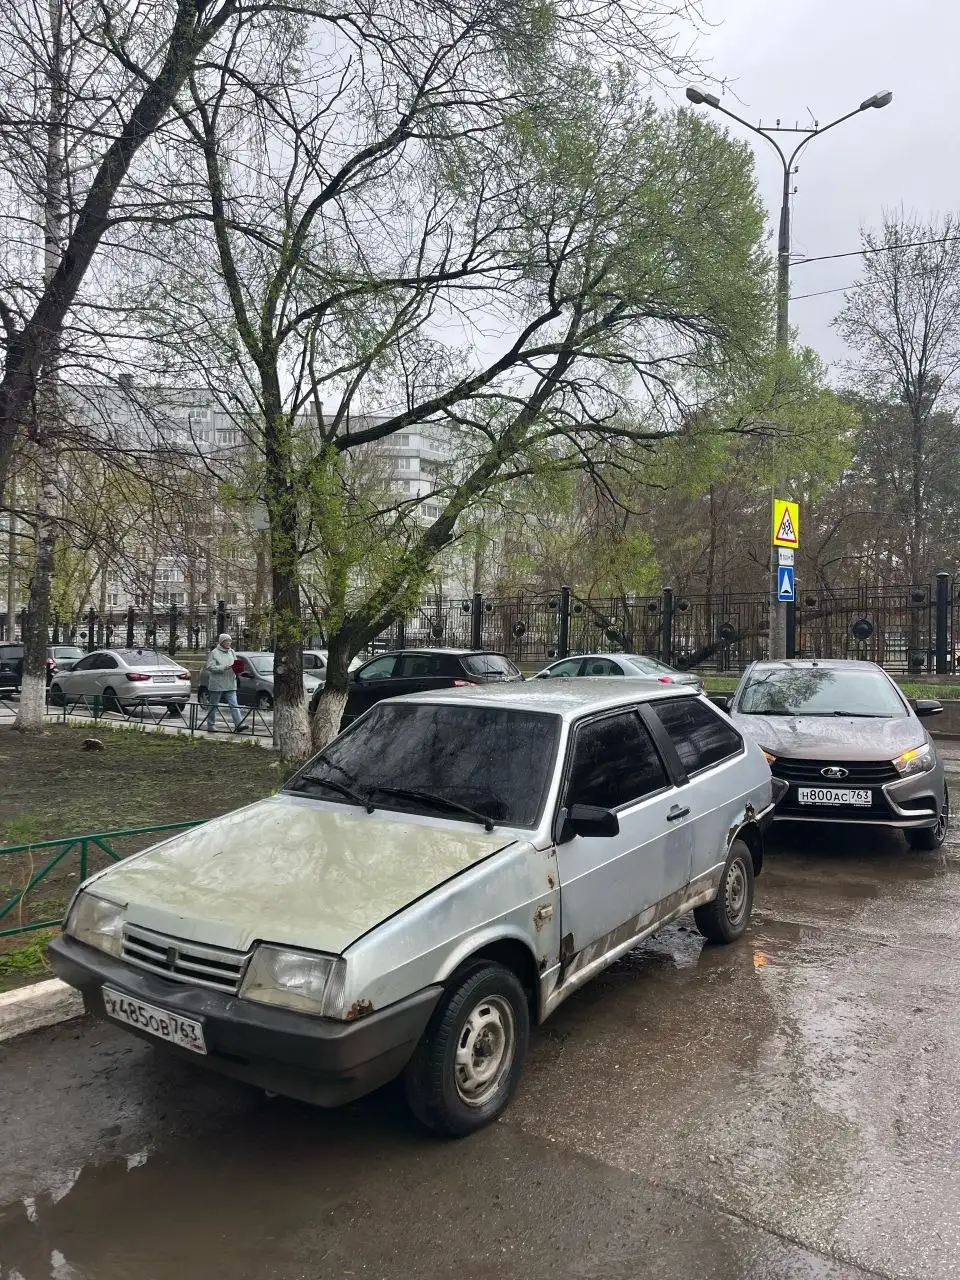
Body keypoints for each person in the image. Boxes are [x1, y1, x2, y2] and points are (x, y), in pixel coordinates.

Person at [204, 634, 243, 732]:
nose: (228, 643)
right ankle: (211, 725)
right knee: (213, 705)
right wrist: (224, 667)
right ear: (221, 642)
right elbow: (210, 667)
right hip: (217, 683)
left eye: (230, 641)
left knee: (234, 704)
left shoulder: (232, 652)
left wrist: (238, 668)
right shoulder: (214, 653)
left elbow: (235, 663)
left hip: (230, 682)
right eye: (226, 641)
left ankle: (238, 724)